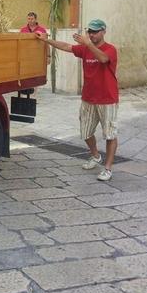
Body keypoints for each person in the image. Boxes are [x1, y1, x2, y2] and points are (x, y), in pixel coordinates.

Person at [36, 18, 118, 181]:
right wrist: (47, 40)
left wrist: (88, 44)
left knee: (110, 135)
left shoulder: (110, 49)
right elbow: (67, 47)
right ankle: (95, 156)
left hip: (107, 99)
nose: (92, 34)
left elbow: (102, 59)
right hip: (88, 98)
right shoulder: (85, 49)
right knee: (85, 132)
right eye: (90, 31)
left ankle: (108, 168)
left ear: (103, 32)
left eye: (95, 31)